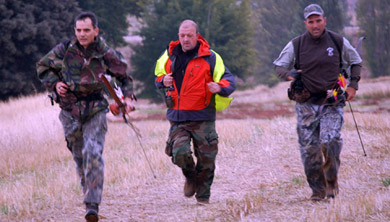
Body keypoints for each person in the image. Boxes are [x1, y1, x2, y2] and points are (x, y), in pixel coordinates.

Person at [37, 11, 134, 221]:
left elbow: (124, 76)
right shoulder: (64, 49)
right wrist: (55, 84)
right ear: (75, 30)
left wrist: (127, 98)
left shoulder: (104, 52)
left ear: (95, 31)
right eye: (79, 30)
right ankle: (88, 195)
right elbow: (43, 67)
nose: (82, 34)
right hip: (69, 111)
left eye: (86, 30)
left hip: (95, 108)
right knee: (80, 158)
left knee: (93, 152)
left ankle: (92, 205)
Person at [273, 4, 362, 201]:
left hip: (332, 102)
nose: (315, 25)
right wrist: (290, 75)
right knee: (309, 152)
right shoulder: (296, 44)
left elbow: (356, 61)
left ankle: (331, 181)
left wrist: (352, 86)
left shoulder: (337, 41)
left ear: (325, 20)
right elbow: (279, 66)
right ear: (306, 23)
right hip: (305, 105)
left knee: (330, 141)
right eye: (311, 22)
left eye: (318, 21)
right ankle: (317, 190)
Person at [154, 20, 235, 204]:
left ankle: (203, 198)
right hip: (178, 117)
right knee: (180, 153)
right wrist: (162, 81)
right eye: (182, 35)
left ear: (197, 36)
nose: (185, 39)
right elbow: (157, 76)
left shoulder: (211, 57)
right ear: (178, 36)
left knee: (207, 161)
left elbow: (229, 79)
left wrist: (220, 87)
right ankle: (190, 176)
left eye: (189, 35)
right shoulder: (168, 56)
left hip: (203, 117)